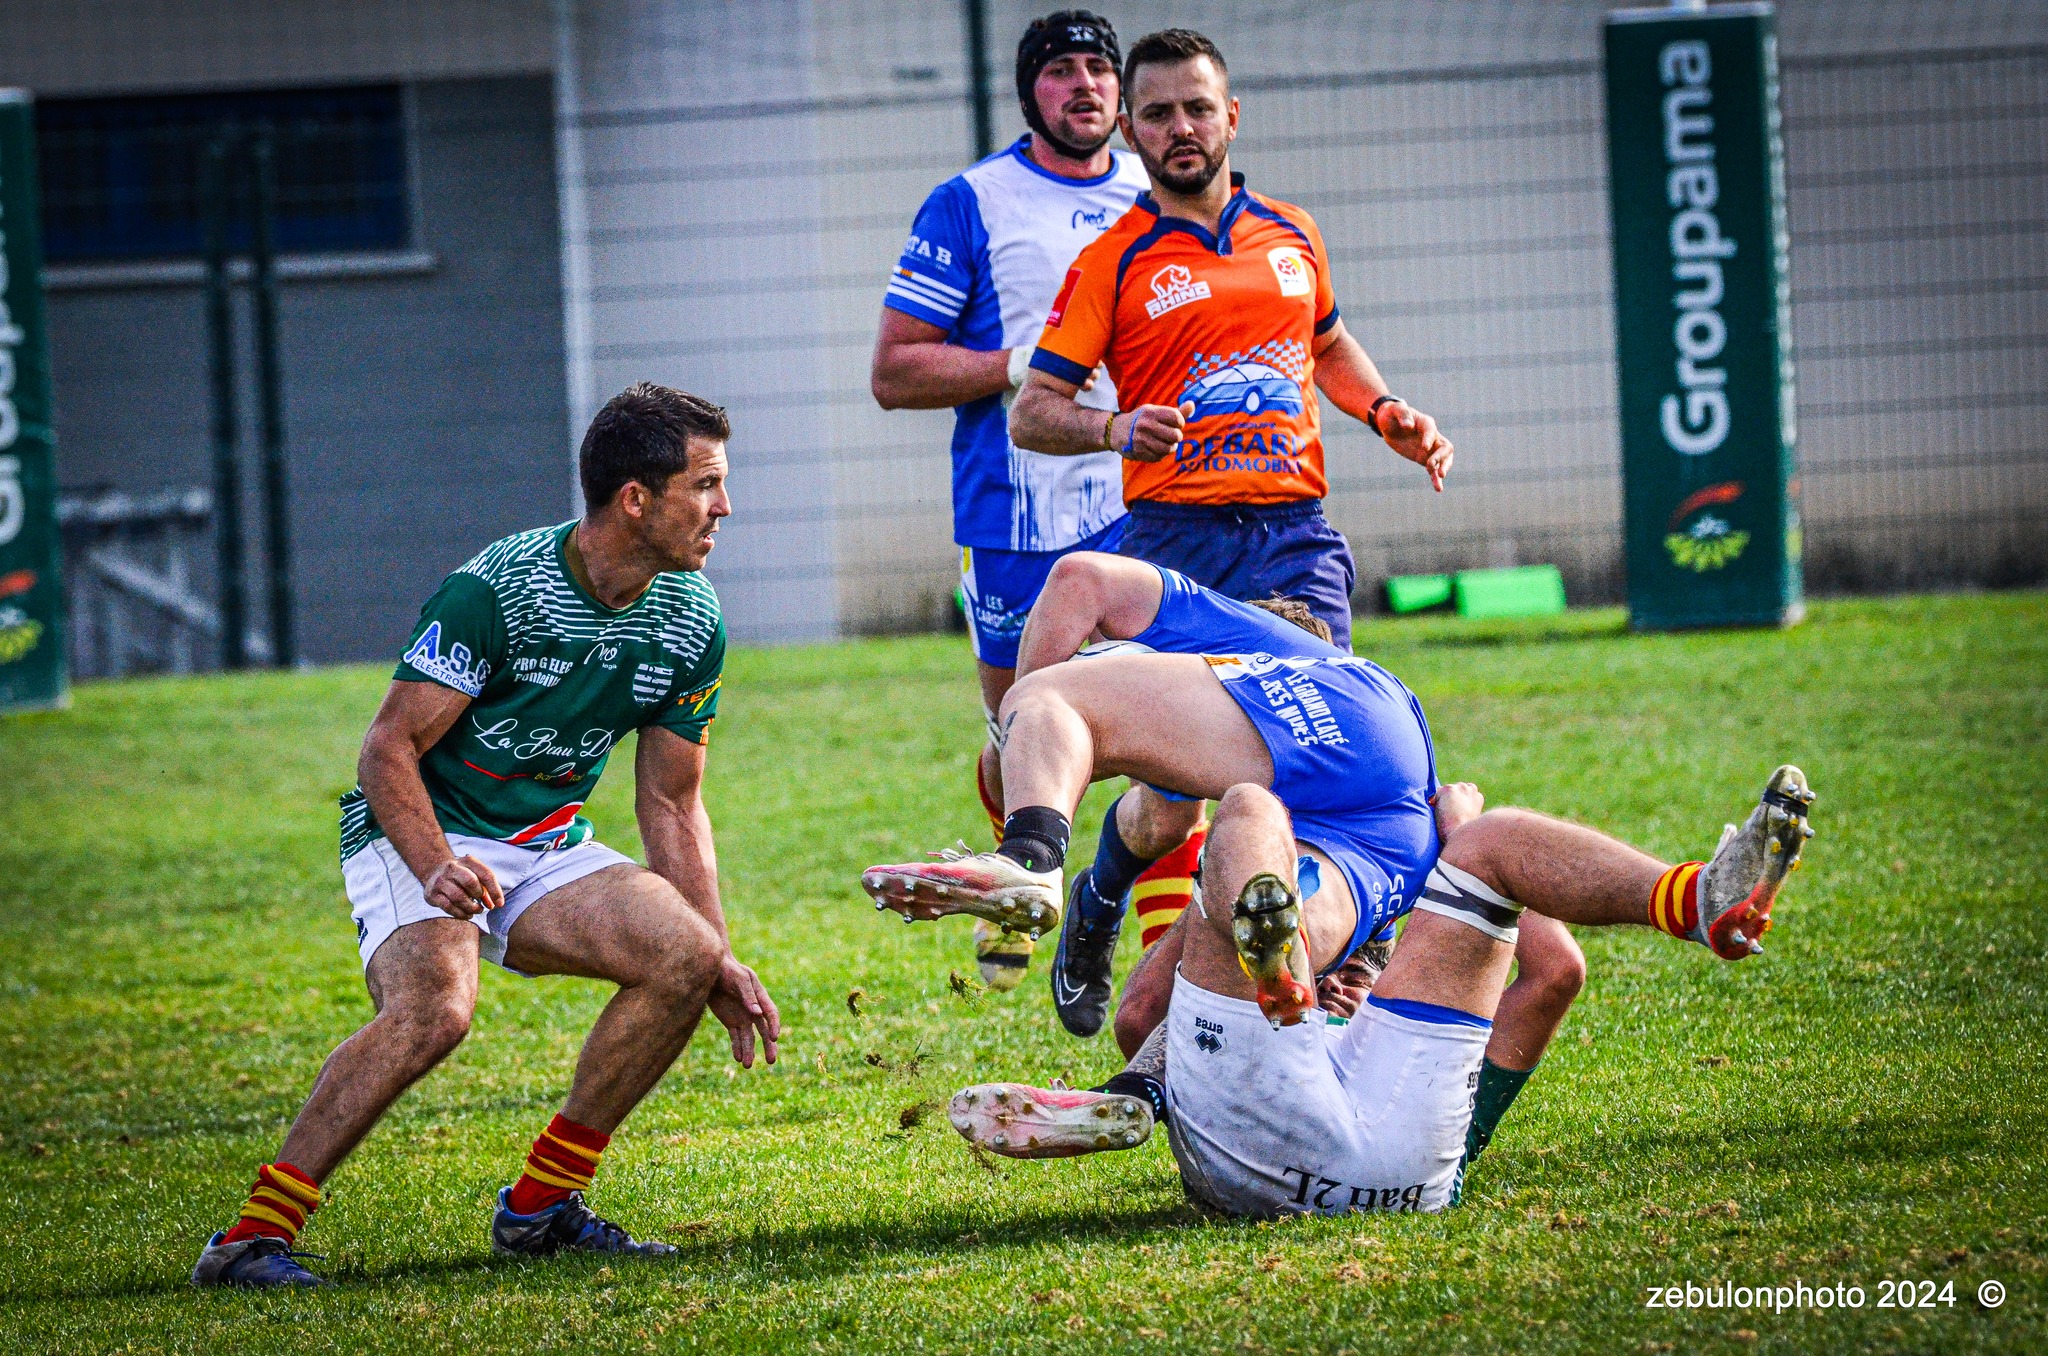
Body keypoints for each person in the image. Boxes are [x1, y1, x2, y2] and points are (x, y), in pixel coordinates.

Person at [859, 554, 1816, 1213]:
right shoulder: (1387, 797)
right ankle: (1691, 899)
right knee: (1472, 844)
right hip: (1409, 1166)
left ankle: (1049, 881)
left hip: (1249, 1157)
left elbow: (1083, 589)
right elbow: (1554, 970)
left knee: (1209, 807)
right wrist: (1460, 833)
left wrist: (1052, 826)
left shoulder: (1263, 667)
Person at [193, 384, 781, 1288]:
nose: (724, 508)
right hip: (417, 825)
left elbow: (670, 803)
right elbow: (387, 748)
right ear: (635, 498)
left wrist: (721, 954)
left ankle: (542, 1207)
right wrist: (434, 867)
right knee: (436, 1011)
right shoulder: (499, 590)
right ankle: (248, 1240)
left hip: (543, 841)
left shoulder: (691, 619)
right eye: (704, 485)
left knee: (684, 958)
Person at [1006, 28, 1460, 1031]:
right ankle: (1098, 895)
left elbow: (1330, 346)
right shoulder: (1112, 259)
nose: (1179, 129)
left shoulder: (1290, 235)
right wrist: (1115, 425)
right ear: (1129, 129)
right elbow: (1033, 410)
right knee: (1172, 802)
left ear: (1230, 117)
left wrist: (1385, 413)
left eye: (1195, 109)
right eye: (1158, 113)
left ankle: (1297, 974)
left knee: (1311, 762)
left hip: (1296, 539)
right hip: (1174, 543)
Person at [1000, 553, 1590, 1165]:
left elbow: (1555, 969)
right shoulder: (1308, 788)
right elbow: (1556, 970)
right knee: (1159, 992)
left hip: (1323, 1118)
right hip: (1331, 1127)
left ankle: (1149, 1073)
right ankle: (1149, 1069)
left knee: (1198, 946)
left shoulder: (1387, 806)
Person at [870, 11, 1200, 991]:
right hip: (1013, 516)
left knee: (1167, 738)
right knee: (1024, 729)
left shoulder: (1166, 194)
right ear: (1030, 93)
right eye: (1061, 71)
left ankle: (1142, 960)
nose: (1086, 87)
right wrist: (1019, 366)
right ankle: (1027, 872)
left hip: (1146, 504)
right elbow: (894, 371)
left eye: (1100, 68)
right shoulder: (971, 201)